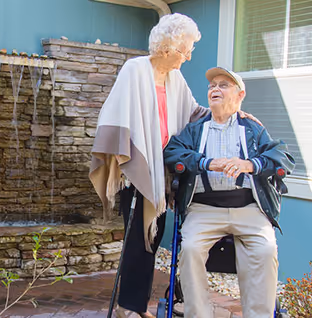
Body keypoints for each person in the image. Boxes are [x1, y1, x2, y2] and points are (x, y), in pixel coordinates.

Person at [89, 13, 261, 318]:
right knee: (136, 241)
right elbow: (114, 114)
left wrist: (233, 112)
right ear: (168, 47)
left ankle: (135, 305)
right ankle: (127, 307)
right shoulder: (136, 70)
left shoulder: (175, 79)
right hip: (137, 167)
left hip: (162, 171)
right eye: (186, 49)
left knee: (152, 238)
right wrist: (123, 158)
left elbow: (195, 112)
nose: (189, 56)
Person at [163, 67, 295, 318]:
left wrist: (250, 164)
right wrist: (205, 162)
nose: (215, 88)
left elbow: (282, 155)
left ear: (240, 94)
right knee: (190, 249)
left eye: (224, 85)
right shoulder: (196, 129)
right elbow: (172, 152)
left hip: (248, 208)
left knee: (266, 251)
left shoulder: (252, 128)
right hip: (204, 209)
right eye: (212, 85)